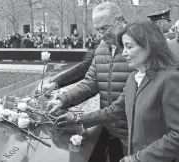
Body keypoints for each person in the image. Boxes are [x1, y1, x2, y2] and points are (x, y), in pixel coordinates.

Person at [55, 21, 179, 162]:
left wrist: (139, 158)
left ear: (149, 46)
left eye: (129, 47)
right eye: (123, 47)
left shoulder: (170, 80)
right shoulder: (133, 78)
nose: (124, 53)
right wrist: (78, 119)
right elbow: (116, 109)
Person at [47, 2, 135, 162]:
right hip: (109, 127)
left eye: (105, 28)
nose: (101, 34)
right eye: (97, 30)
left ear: (120, 20)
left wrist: (81, 119)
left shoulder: (138, 46)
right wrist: (63, 100)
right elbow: (90, 83)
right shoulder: (102, 47)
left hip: (134, 132)